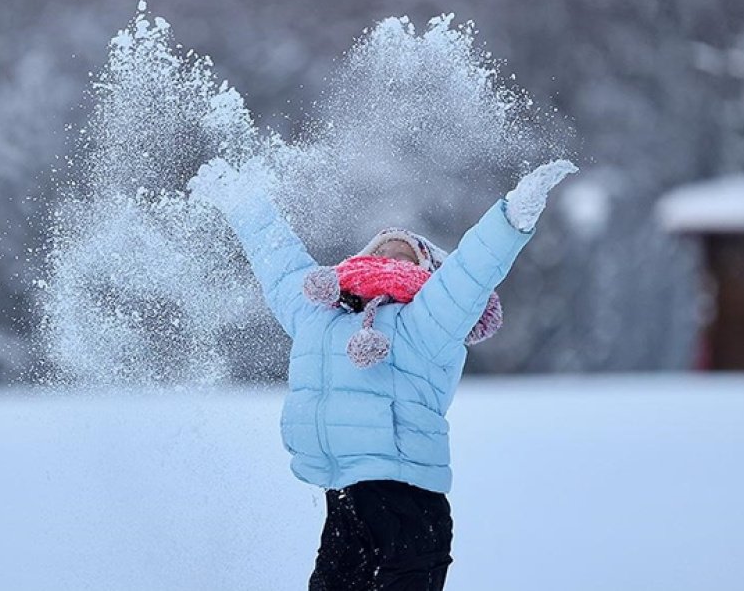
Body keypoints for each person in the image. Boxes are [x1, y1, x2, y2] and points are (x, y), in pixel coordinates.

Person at [187, 157, 578, 591]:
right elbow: (280, 264)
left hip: (409, 506)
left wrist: (510, 218)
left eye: (405, 254)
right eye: (380, 250)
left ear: (428, 273)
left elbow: (470, 273)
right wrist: (243, 202)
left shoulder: (428, 322)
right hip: (344, 502)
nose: (389, 256)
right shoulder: (319, 316)